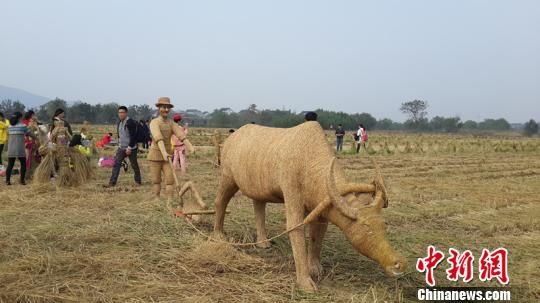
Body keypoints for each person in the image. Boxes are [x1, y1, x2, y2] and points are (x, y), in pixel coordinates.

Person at [147, 97, 186, 200]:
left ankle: (170, 200)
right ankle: (157, 197)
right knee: (156, 180)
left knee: (170, 180)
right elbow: (158, 138)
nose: (166, 110)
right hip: (155, 155)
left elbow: (180, 134)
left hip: (168, 155)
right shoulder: (154, 122)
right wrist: (163, 152)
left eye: (168, 107)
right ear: (159, 108)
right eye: (164, 107)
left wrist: (189, 145)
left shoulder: (171, 123)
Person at [104, 106, 141, 187]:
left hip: (131, 148)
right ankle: (112, 182)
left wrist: (129, 147)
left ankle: (138, 181)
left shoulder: (130, 122)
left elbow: (133, 136)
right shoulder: (119, 122)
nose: (121, 114)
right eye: (119, 112)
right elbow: (120, 135)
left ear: (126, 113)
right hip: (121, 147)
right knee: (116, 164)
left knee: (134, 164)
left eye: (122, 112)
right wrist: (119, 144)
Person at [5, 112, 36, 185]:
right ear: (19, 118)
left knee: (10, 164)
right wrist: (37, 137)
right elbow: (30, 134)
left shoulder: (9, 126)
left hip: (11, 147)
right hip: (20, 148)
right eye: (21, 117)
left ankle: (7, 181)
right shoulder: (23, 126)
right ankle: (22, 181)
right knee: (23, 164)